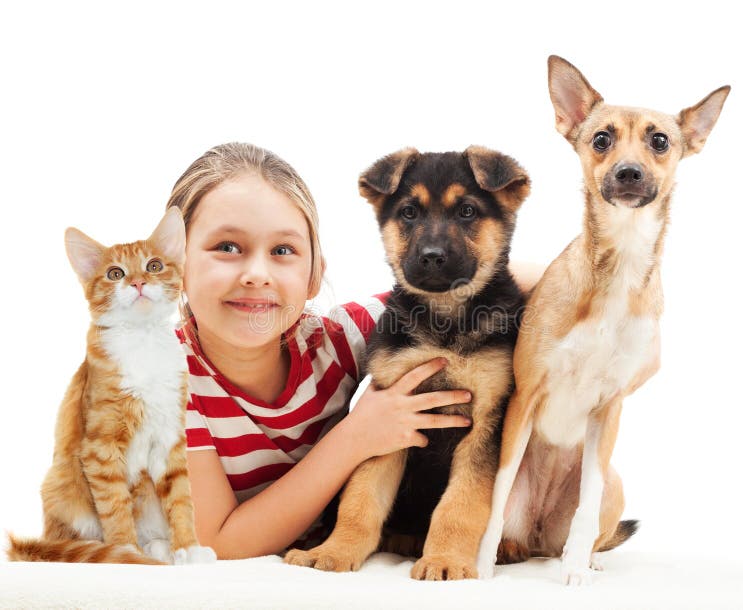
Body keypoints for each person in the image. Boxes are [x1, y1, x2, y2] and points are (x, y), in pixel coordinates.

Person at [166, 142, 542, 560]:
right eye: (228, 247)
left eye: (283, 251)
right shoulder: (163, 382)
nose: (257, 275)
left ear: (315, 275)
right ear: (171, 265)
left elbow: (529, 279)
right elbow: (216, 542)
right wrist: (354, 438)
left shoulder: (337, 340)